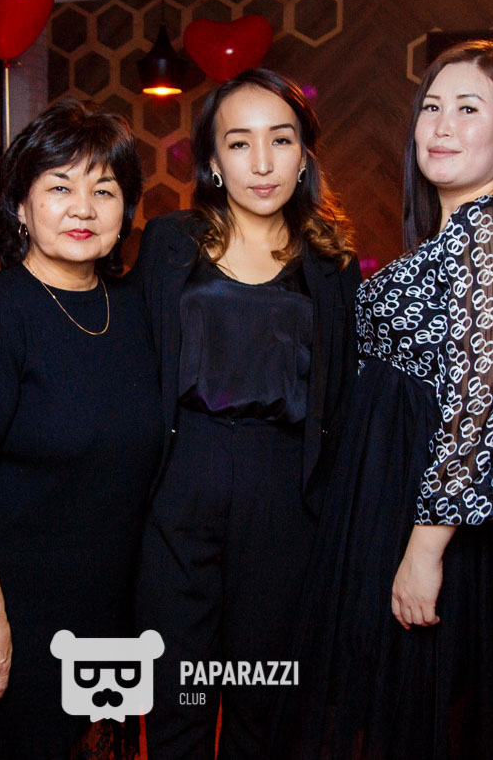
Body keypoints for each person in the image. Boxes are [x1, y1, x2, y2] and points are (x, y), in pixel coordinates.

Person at [273, 40, 493, 759]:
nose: (442, 125)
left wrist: (425, 549)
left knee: (412, 708)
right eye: (431, 107)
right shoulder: (459, 231)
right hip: (393, 492)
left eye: (469, 108)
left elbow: (485, 401)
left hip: (426, 515)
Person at [131, 68, 360, 759]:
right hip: (182, 479)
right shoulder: (169, 242)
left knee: (264, 696)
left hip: (284, 491)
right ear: (212, 160)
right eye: (240, 143)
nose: (262, 163)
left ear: (304, 155)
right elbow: (129, 360)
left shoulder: (332, 262)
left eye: (280, 140)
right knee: (179, 690)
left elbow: (343, 397)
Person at [0, 98, 163, 759]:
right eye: (59, 187)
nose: (83, 208)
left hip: (113, 604)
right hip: (19, 611)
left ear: (126, 208)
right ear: (21, 207)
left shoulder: (135, 308)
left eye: (104, 190)